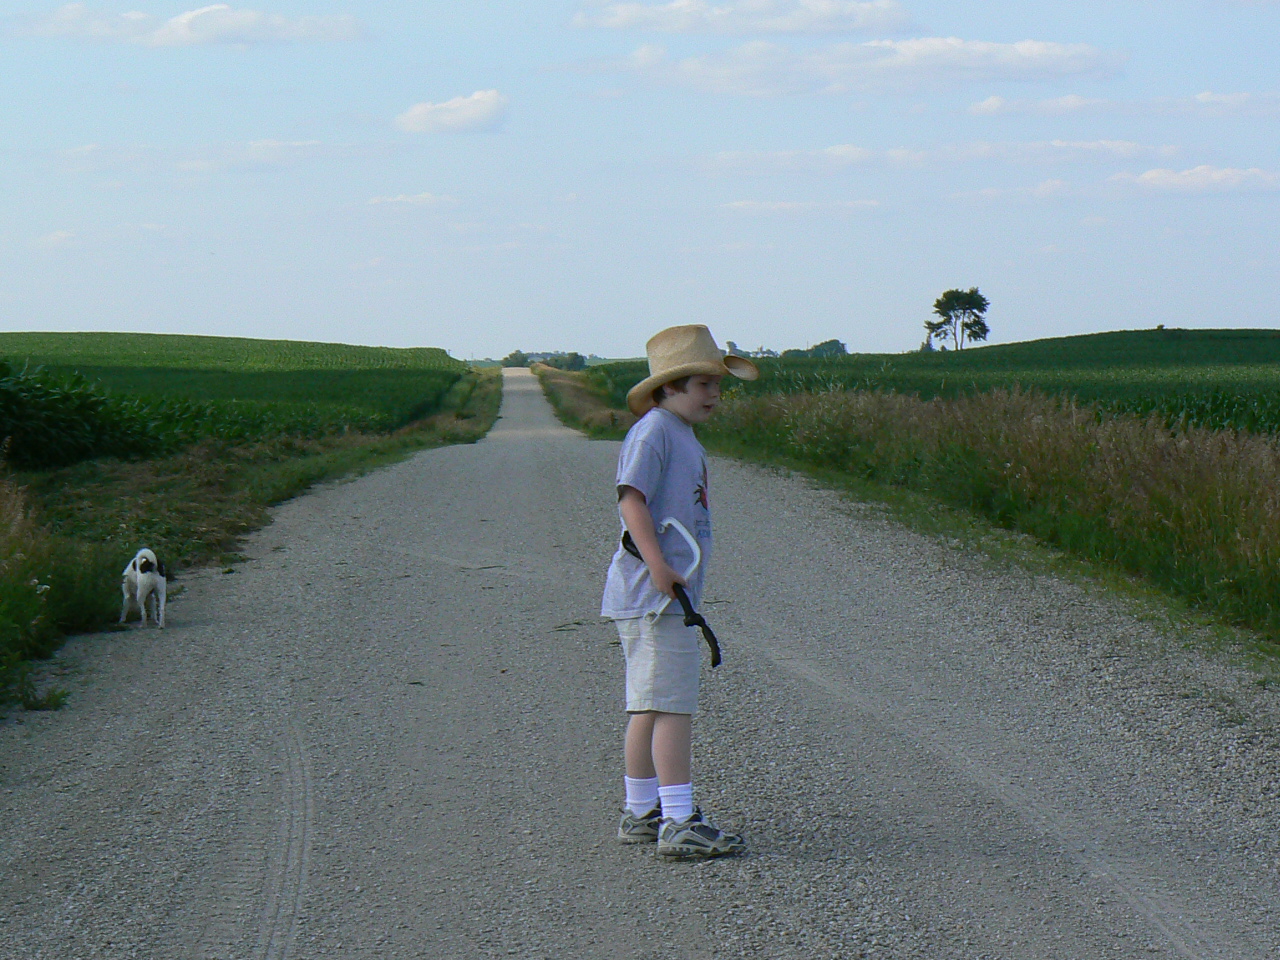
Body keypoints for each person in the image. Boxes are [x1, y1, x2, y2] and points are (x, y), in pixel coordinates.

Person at [600, 324, 758, 858]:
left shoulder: (679, 433)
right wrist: (659, 564)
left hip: (655, 593)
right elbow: (630, 500)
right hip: (655, 593)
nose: (714, 393)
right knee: (672, 705)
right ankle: (679, 819)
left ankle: (642, 812)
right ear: (668, 387)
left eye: (717, 384)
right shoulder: (655, 432)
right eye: (701, 382)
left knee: (648, 704)